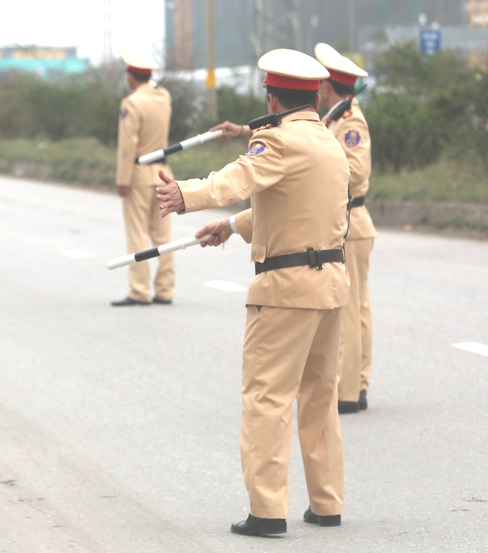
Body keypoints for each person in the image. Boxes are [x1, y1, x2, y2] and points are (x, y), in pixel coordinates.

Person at [156, 49, 350, 536]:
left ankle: (267, 511)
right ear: (314, 95)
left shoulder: (278, 141)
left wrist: (186, 195)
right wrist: (235, 226)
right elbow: (297, 202)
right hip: (330, 285)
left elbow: (237, 178)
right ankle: (326, 504)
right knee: (320, 398)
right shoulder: (326, 141)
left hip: (285, 288)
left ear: (271, 94)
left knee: (267, 397)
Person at [315, 43, 378, 414]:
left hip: (351, 221)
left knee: (350, 310)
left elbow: (356, 174)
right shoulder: (336, 117)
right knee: (359, 308)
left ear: (327, 86)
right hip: (349, 222)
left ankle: (349, 392)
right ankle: (359, 383)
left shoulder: (350, 121)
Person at [111, 51, 175, 307]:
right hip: (162, 172)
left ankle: (139, 290)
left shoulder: (132, 102)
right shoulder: (164, 97)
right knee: (163, 236)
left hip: (138, 173)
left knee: (137, 234)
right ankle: (165, 289)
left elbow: (128, 145)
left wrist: (122, 178)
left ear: (131, 76)